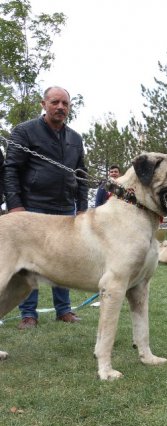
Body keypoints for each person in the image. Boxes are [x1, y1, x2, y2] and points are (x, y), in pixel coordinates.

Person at [4, 86, 88, 329]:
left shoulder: (75, 138)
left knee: (64, 259)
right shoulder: (25, 131)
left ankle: (64, 310)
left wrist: (82, 208)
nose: (60, 107)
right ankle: (28, 314)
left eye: (65, 103)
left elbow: (81, 175)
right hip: (32, 208)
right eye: (55, 102)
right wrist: (15, 206)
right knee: (29, 260)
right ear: (43, 104)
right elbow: (11, 169)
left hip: (65, 208)